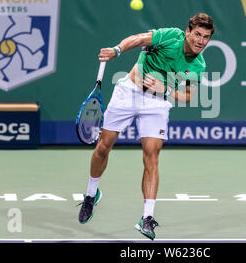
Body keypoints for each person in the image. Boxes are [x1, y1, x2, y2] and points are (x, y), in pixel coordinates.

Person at [77, 13, 215, 240]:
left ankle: (147, 218)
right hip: (128, 92)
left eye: (206, 37)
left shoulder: (198, 65)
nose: (200, 41)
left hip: (156, 103)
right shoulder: (171, 36)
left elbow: (188, 96)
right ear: (188, 32)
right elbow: (140, 39)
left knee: (152, 155)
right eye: (197, 34)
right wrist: (117, 50)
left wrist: (166, 89)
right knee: (103, 146)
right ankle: (91, 195)